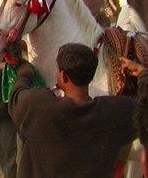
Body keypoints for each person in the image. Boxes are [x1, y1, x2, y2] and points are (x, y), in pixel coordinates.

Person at [9, 43, 136, 178]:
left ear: (63, 76)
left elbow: (16, 95)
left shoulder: (39, 107)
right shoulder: (115, 112)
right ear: (91, 75)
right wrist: (143, 73)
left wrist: (24, 73)